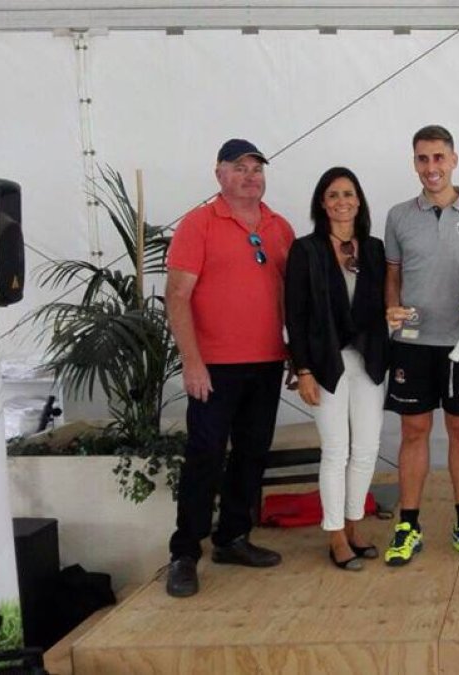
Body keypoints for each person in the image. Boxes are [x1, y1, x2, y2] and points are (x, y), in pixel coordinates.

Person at [165, 138, 294, 598]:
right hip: (214, 368)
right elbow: (177, 295)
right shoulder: (198, 224)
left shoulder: (280, 227)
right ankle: (184, 553)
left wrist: (294, 353)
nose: (250, 176)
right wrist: (192, 361)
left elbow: (290, 298)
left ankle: (233, 537)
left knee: (251, 454)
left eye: (257, 168)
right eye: (239, 168)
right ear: (219, 174)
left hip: (265, 363)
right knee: (204, 456)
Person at [382, 124, 459, 566]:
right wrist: (391, 310)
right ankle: (408, 526)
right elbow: (392, 274)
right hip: (412, 344)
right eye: (422, 159)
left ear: (454, 159)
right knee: (413, 432)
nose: (431, 168)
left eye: (438, 158)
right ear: (414, 162)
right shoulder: (398, 216)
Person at [285, 167, 389, 572]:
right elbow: (294, 315)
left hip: (368, 361)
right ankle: (334, 535)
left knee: (365, 449)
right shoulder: (305, 250)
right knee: (336, 450)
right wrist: (303, 370)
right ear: (322, 204)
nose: (341, 201)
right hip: (325, 363)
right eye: (333, 195)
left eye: (348, 193)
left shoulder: (375, 249)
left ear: (359, 201)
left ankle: (353, 526)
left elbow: (384, 303)